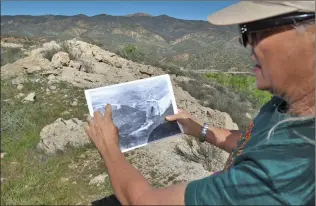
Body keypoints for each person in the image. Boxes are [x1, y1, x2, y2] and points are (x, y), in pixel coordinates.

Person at [85, 1, 315, 205]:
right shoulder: (284, 104)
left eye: (255, 31)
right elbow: (255, 142)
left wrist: (108, 146)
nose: (247, 44)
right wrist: (199, 129)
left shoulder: (282, 176)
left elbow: (144, 201)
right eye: (244, 33)